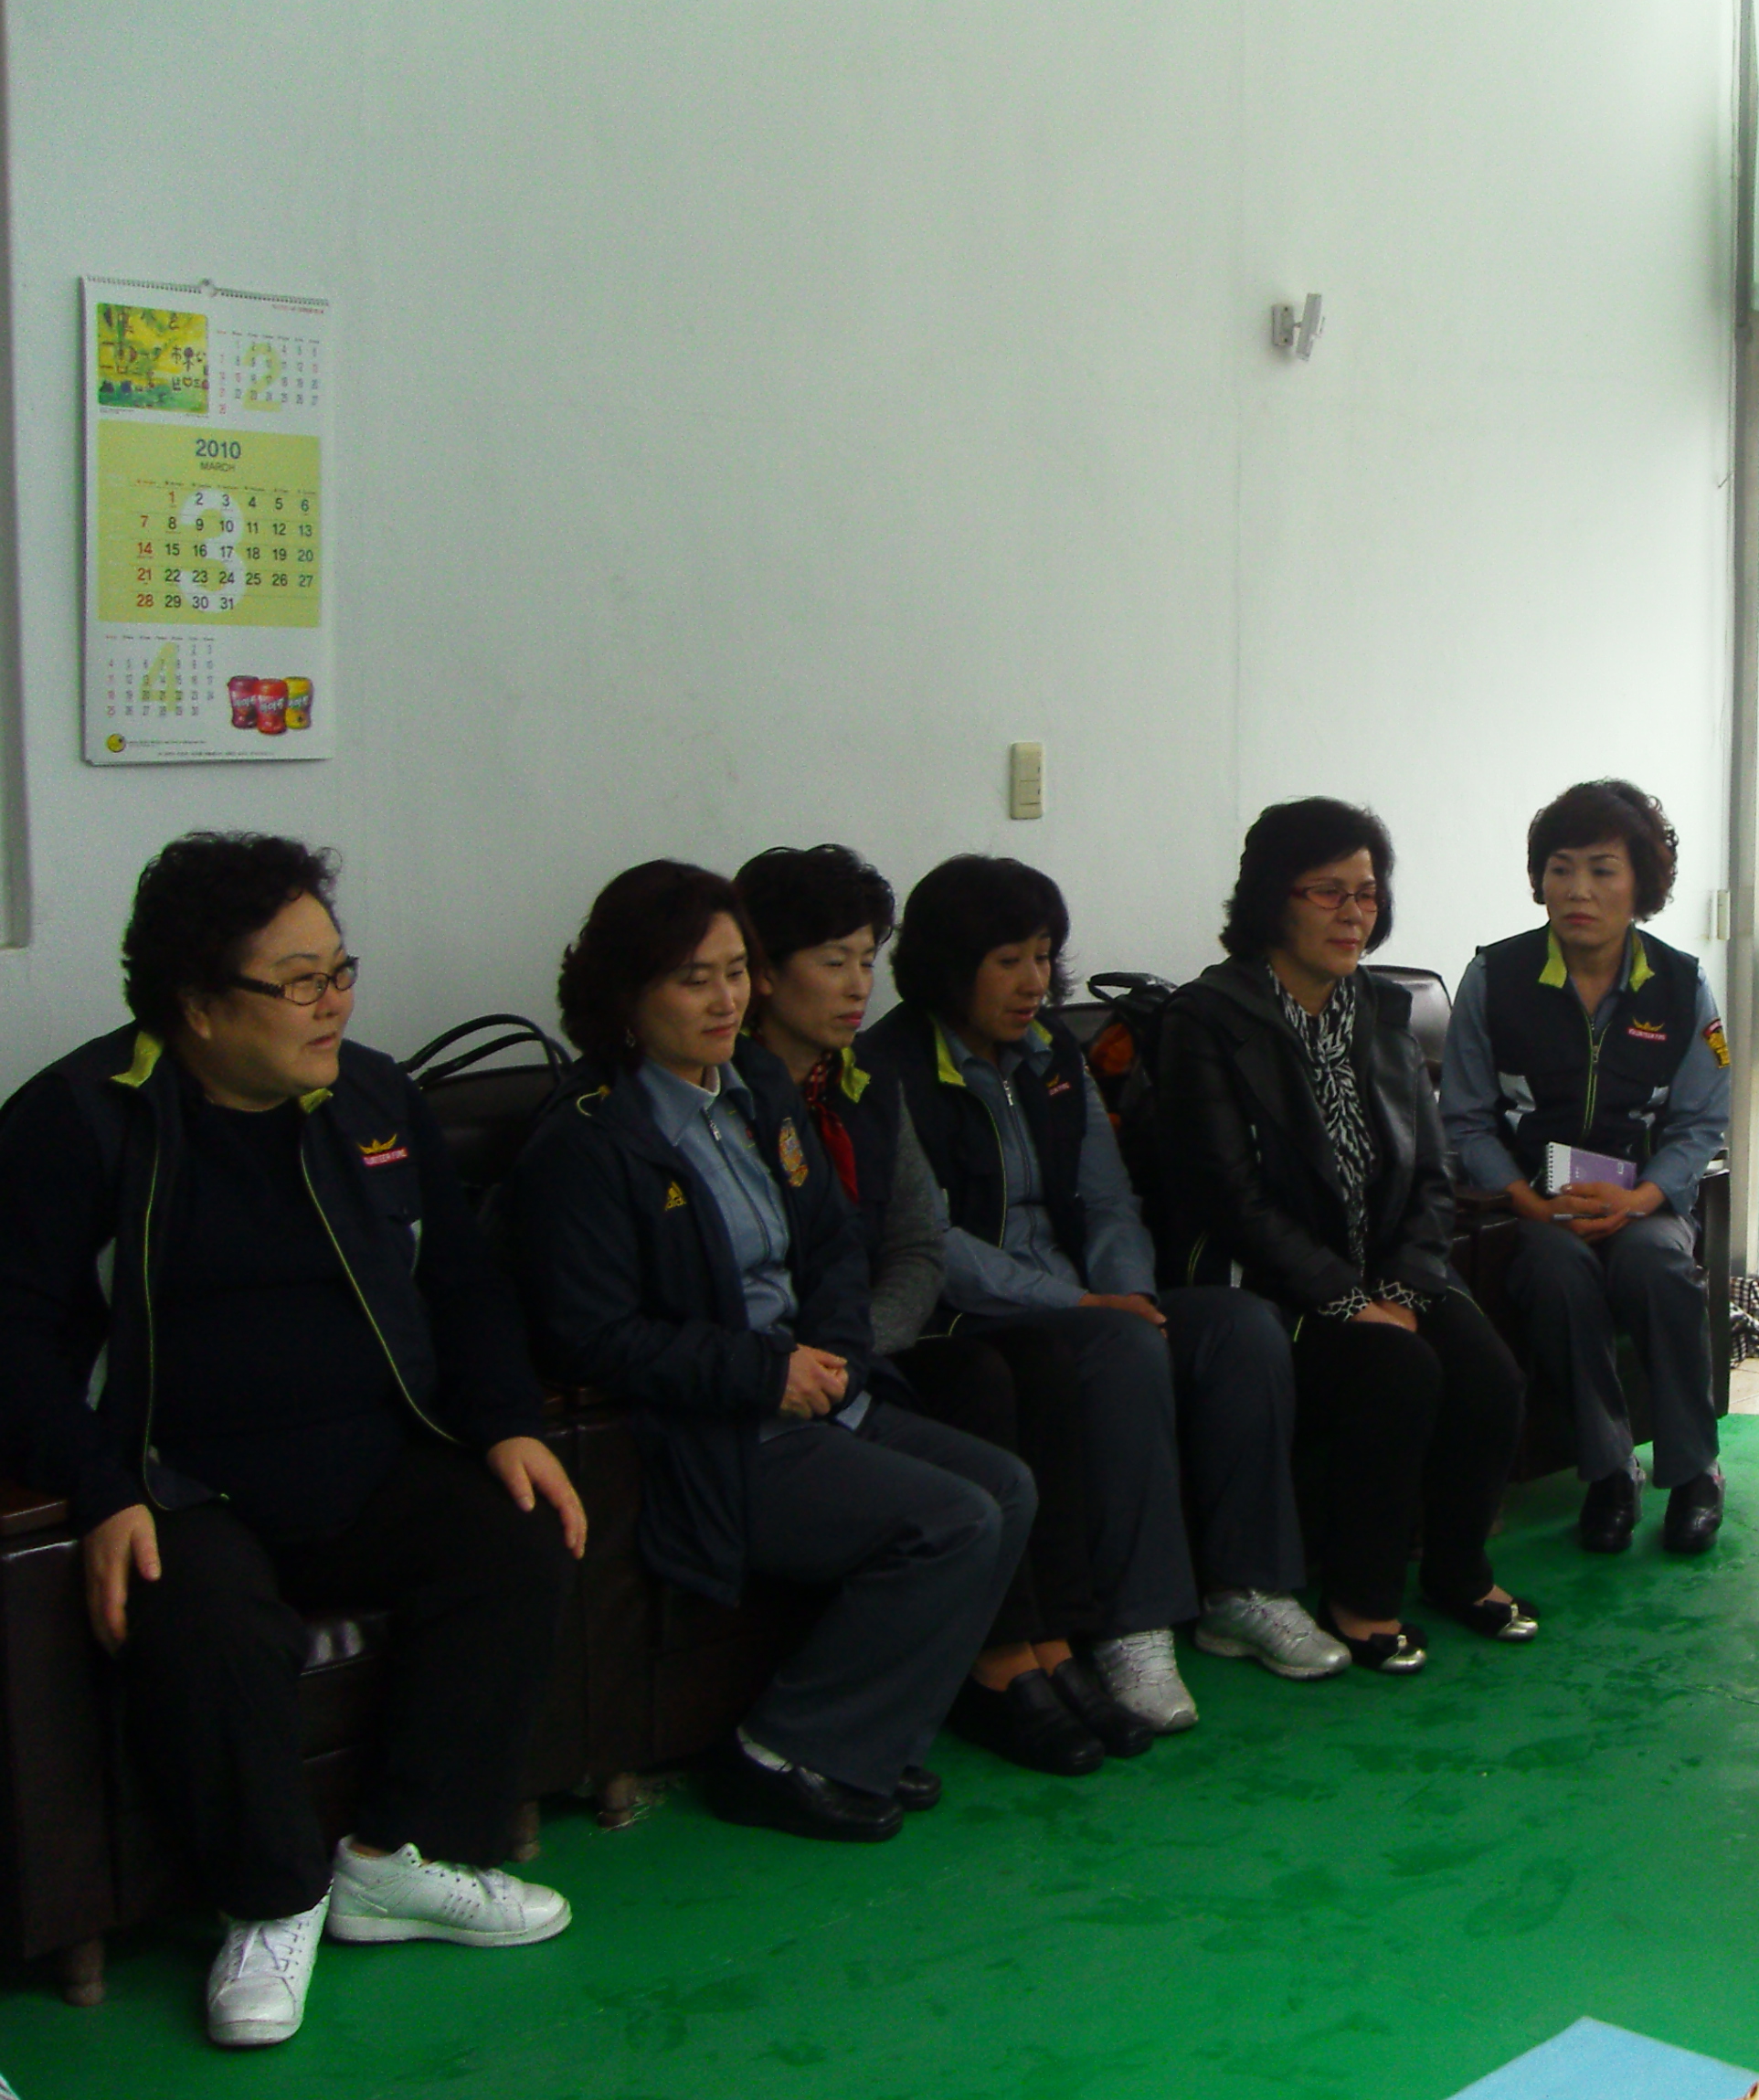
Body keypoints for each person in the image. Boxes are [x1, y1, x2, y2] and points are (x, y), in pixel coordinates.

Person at [0, 834, 580, 2050]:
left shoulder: (370, 1099)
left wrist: (509, 1425)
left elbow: (462, 1286)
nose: (336, 1004)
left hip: (370, 1460)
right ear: (200, 1006)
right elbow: (15, 1344)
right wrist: (101, 1489)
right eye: (301, 981)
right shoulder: (77, 1122)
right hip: (181, 1483)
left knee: (519, 1534)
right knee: (200, 1613)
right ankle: (269, 1904)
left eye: (340, 970)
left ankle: (398, 1859)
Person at [508, 861, 1033, 1842]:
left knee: (1005, 1489)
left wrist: (834, 1352)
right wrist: (765, 1373)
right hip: (711, 1433)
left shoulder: (754, 1083)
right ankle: (783, 1752)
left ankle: (871, 1739)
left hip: (813, 1393)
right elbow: (593, 1335)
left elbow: (830, 1241)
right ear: (626, 994)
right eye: (693, 979)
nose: (727, 1000)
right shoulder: (588, 1142)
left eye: (736, 972)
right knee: (951, 1520)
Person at [865, 854, 1344, 1752]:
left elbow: (1109, 1196)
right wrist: (1082, 1305)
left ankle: (1246, 1591)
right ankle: (1135, 1628)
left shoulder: (1053, 1052)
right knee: (1122, 1348)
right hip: (982, 1315)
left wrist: (1127, 1293)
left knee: (1239, 1327)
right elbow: (934, 1246)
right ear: (947, 967)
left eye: (1044, 956)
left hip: (1091, 1299)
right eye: (1008, 961)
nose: (1034, 982)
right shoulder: (886, 1070)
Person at [733, 846, 1137, 1779]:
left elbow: (916, 1242)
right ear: (766, 975)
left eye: (866, 959)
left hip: (863, 1345)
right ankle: (999, 1664)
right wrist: (834, 1358)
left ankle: (1053, 1643)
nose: (856, 985)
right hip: (794, 1374)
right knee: (985, 1373)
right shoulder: (739, 1100)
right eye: (833, 961)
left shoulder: (859, 1086)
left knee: (1041, 1362)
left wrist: (854, 1347)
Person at [1154, 798, 1531, 1674]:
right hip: (1271, 1285)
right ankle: (1361, 1600)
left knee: (1489, 1374)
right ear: (1271, 900)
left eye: (1366, 893)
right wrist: (1347, 1299)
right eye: (1328, 892)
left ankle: (1458, 1571)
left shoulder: (1381, 1010)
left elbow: (1430, 1176)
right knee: (1397, 1369)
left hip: (1383, 1273)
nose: (1354, 913)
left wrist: (1400, 1287)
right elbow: (1230, 1198)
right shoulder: (1206, 1021)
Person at [1439, 780, 1732, 1556]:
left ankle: (1694, 1471)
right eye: (1561, 869)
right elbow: (1464, 1117)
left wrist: (1644, 1197)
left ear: (1641, 885)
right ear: (1540, 879)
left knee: (1658, 1268)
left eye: (1603, 870)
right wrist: (1523, 1199)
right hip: (1538, 1205)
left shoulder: (1682, 984)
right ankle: (1609, 1472)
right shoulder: (1494, 977)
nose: (1578, 891)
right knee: (1556, 1276)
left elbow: (1702, 1119)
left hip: (1644, 1201)